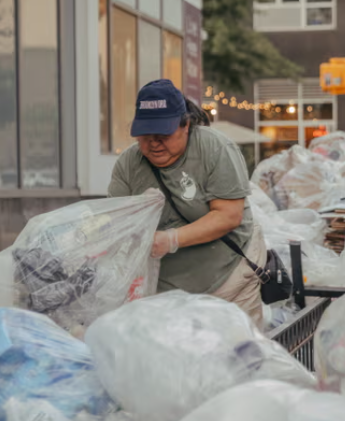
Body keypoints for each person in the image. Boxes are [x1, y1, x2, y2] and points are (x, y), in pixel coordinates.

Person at [108, 79, 267, 325]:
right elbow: (117, 222)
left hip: (229, 276)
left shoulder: (215, 148)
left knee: (237, 355)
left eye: (163, 133)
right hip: (166, 292)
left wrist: (170, 239)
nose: (154, 142)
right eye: (145, 134)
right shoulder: (129, 164)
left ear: (186, 125)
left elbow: (228, 215)